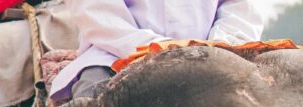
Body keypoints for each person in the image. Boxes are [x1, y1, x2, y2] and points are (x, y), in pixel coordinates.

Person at [50, 0, 264, 101]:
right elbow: (97, 14)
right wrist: (162, 49)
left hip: (216, 55)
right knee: (92, 105)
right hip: (116, 55)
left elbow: (242, 10)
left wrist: (218, 48)